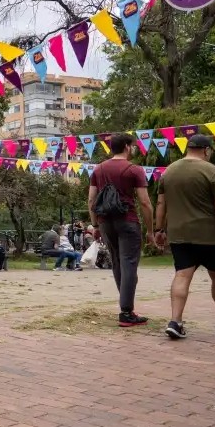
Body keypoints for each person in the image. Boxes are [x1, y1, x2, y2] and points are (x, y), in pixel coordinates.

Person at [155, 135, 215, 339]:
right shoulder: (211, 171)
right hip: (209, 236)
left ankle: (175, 321)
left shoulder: (168, 172)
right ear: (206, 150)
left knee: (182, 275)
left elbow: (161, 204)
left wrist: (158, 230)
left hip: (179, 234)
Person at [88, 133, 154, 327]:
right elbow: (144, 202)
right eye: (132, 146)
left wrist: (96, 225)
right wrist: (150, 230)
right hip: (128, 220)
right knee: (129, 263)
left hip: (105, 222)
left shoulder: (98, 169)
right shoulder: (134, 169)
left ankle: (126, 308)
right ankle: (126, 312)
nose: (133, 149)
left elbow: (91, 200)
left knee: (117, 262)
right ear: (127, 146)